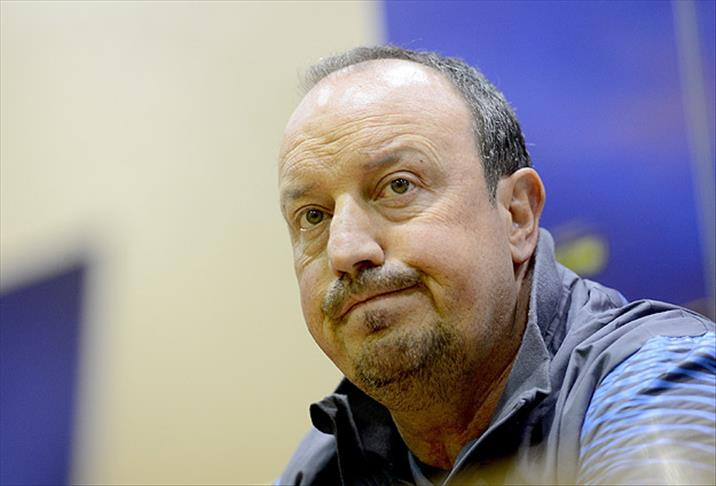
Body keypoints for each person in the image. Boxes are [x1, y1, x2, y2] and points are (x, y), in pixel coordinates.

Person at [276, 46, 716, 485]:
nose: (345, 249)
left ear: (516, 215)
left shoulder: (659, 388)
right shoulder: (324, 462)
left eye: (398, 186)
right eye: (313, 216)